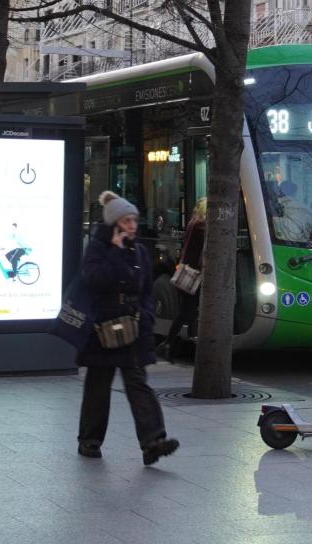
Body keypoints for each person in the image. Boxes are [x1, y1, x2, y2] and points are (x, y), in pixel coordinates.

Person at [77, 193, 179, 465]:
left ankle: (153, 442)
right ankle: (89, 440)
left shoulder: (140, 251)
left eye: (134, 219)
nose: (133, 225)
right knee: (98, 385)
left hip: (134, 328)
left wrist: (146, 315)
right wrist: (114, 252)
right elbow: (94, 280)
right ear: (114, 223)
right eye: (126, 220)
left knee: (137, 383)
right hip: (102, 329)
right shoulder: (98, 248)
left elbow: (146, 289)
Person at [162, 198, 206, 361]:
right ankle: (169, 344)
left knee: (189, 312)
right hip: (192, 274)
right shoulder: (201, 225)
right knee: (187, 312)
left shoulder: (192, 223)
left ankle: (173, 345)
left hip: (187, 272)